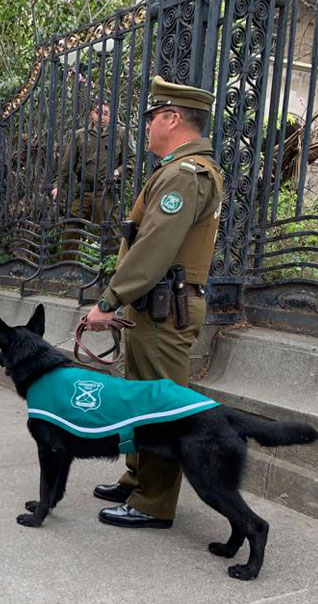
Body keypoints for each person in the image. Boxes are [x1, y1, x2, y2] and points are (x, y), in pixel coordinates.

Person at [86, 76, 223, 529]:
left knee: (161, 407)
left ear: (172, 118)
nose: (145, 126)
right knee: (142, 401)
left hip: (167, 306)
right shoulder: (175, 170)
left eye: (150, 117)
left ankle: (153, 503)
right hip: (155, 305)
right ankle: (137, 480)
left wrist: (109, 300)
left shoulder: (186, 175)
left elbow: (154, 249)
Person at [52, 100, 132, 258]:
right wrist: (58, 186)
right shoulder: (80, 135)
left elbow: (131, 162)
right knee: (71, 226)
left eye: (106, 113)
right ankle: (66, 267)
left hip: (106, 191)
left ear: (111, 116)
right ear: (91, 114)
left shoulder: (121, 134)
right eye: (98, 112)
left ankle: (111, 270)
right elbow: (66, 166)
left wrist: (116, 172)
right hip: (84, 191)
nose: (101, 116)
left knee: (110, 230)